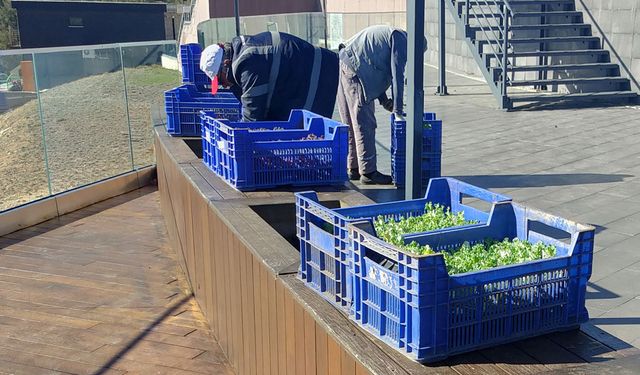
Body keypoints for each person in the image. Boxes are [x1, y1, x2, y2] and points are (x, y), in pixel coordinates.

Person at [337, 25, 420, 185]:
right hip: (355, 68)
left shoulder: (392, 36)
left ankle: (353, 167)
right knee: (364, 122)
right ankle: (368, 172)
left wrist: (384, 101)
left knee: (350, 121)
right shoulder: (402, 41)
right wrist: (398, 110)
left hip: (344, 62)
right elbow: (397, 76)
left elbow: (372, 67)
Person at [200, 31, 339, 122]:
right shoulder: (241, 53)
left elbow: (252, 116)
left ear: (225, 64)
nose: (223, 85)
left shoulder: (248, 62)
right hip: (306, 78)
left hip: (325, 76)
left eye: (220, 80)